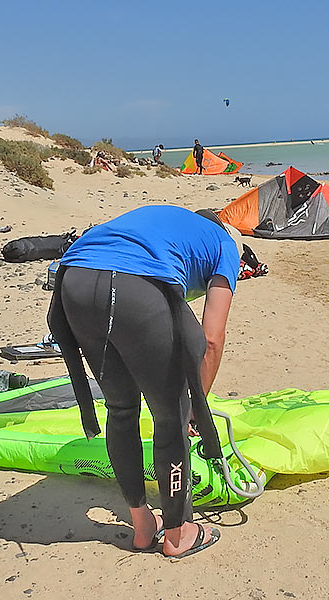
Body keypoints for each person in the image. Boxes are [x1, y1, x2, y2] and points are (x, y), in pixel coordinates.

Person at [47, 205, 242, 558]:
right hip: (132, 283)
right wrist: (196, 407)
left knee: (121, 408)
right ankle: (179, 534)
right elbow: (212, 338)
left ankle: (142, 527)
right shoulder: (225, 245)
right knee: (171, 415)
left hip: (72, 279)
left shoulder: (169, 224)